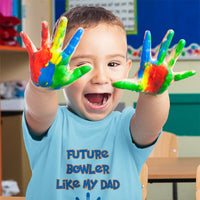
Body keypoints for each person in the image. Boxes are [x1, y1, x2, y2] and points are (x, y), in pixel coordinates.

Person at [20, 6, 195, 200]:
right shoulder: (51, 124)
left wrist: (154, 94)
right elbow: (38, 111)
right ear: (58, 68)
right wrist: (41, 87)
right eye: (83, 64)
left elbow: (152, 122)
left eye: (112, 64)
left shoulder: (127, 127)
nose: (100, 77)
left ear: (127, 69)